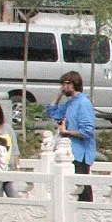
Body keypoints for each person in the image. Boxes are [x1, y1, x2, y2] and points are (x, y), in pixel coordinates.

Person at [46, 70, 97, 200]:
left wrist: (66, 132)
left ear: (73, 84)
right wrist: (59, 95)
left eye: (65, 84)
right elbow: (52, 112)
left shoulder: (83, 103)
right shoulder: (71, 103)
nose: (62, 87)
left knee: (82, 189)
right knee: (72, 189)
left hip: (81, 154)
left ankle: (87, 215)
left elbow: (87, 131)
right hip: (70, 153)